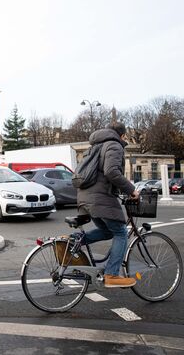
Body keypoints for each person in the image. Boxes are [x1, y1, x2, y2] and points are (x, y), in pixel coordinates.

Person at [75, 122, 139, 288]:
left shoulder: (95, 146)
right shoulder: (114, 145)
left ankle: (71, 241)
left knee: (106, 230)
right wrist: (132, 190)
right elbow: (111, 172)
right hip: (100, 198)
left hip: (85, 197)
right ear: (122, 135)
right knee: (120, 232)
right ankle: (111, 274)